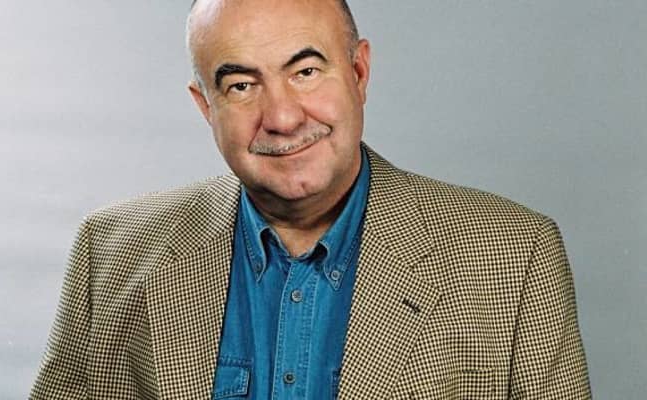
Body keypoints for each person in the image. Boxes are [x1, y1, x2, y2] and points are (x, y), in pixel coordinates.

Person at [30, 0, 591, 398]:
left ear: (359, 73)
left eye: (305, 71)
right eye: (241, 85)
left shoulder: (514, 255)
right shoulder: (112, 250)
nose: (282, 117)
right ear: (206, 106)